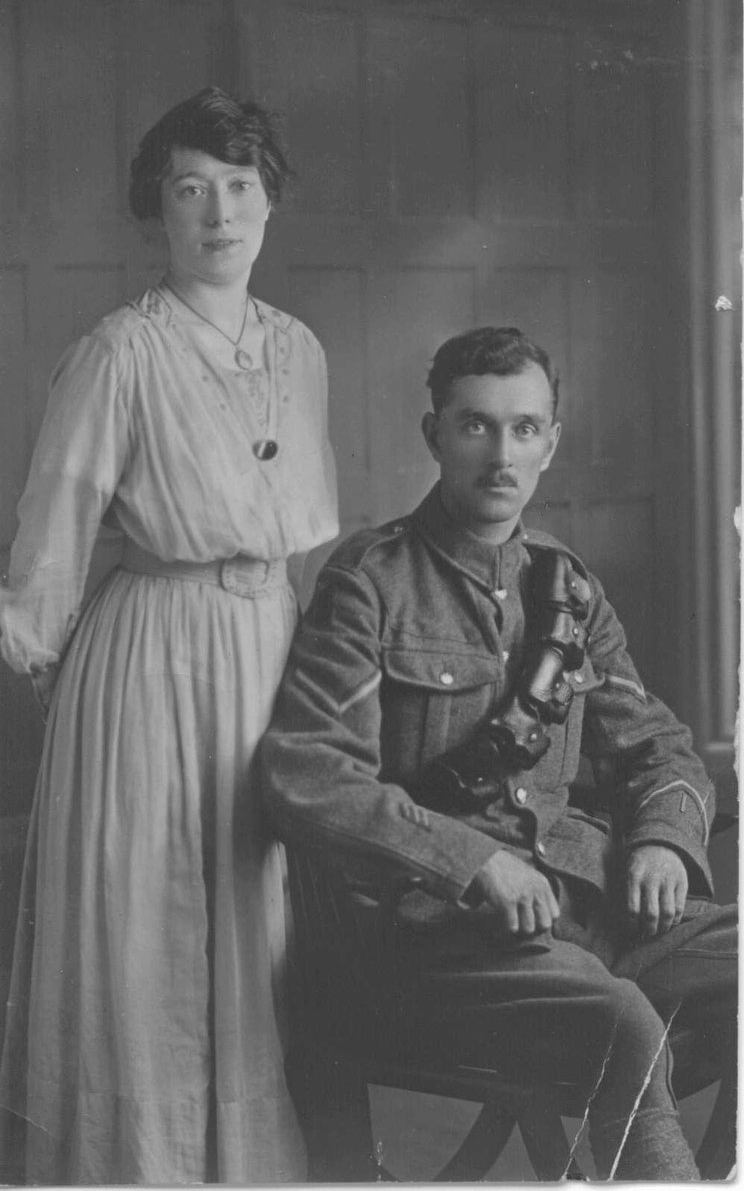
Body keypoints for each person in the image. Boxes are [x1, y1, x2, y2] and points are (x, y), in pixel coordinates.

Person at [260, 326, 736, 1181]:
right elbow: (308, 772)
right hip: (432, 942)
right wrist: (470, 859)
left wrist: (666, 839)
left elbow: (660, 746)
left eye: (524, 429)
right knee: (625, 1021)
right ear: (433, 434)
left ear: (552, 442)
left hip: (581, 915)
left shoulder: (566, 587)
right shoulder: (372, 581)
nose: (501, 454)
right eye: (476, 426)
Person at [0, 86, 337, 1184]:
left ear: (269, 202)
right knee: (150, 915)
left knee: (255, 903)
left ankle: (246, 1162)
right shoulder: (116, 353)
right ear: (158, 211)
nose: (219, 213)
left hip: (270, 645)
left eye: (240, 187)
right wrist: (48, 672)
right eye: (190, 190)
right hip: (149, 661)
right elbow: (49, 540)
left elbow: (299, 526)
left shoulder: (301, 350)